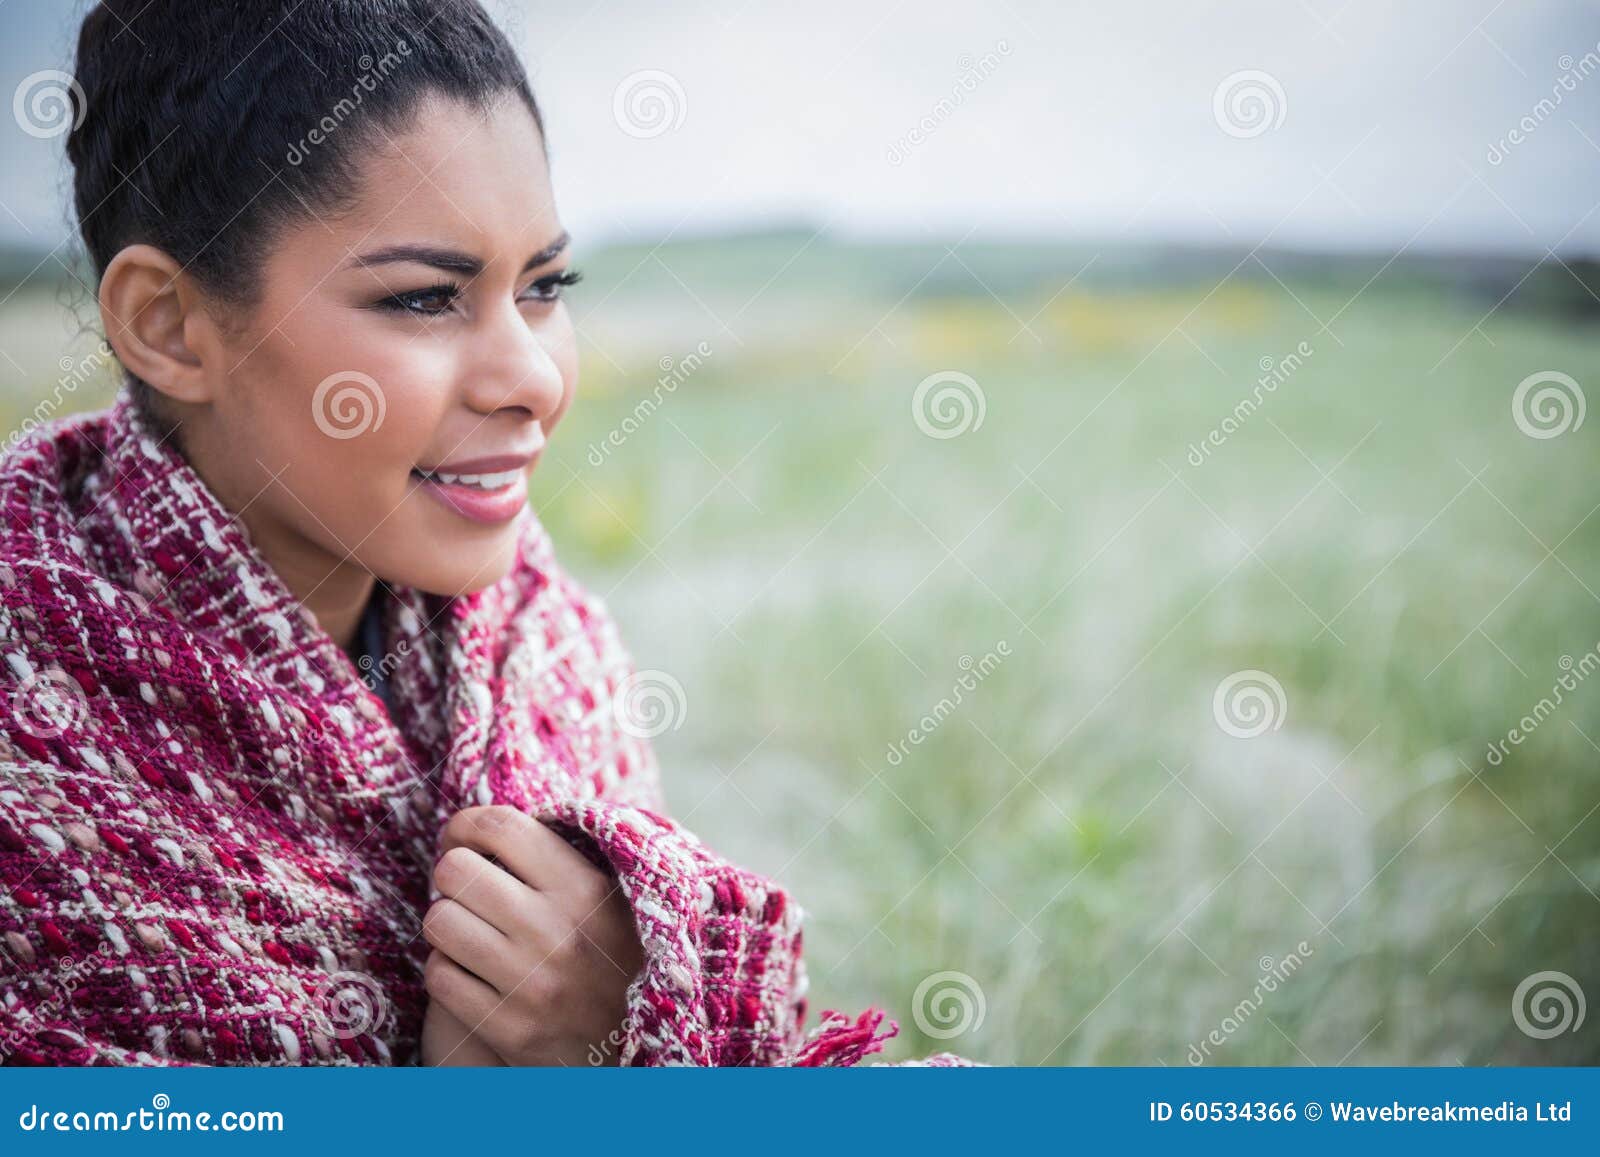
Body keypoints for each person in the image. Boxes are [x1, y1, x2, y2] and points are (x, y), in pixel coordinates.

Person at [0, 0, 968, 1068]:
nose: (535, 379)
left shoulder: (545, 650)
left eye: (546, 286)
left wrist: (618, 1019)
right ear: (169, 326)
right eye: (423, 299)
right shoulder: (26, 725)